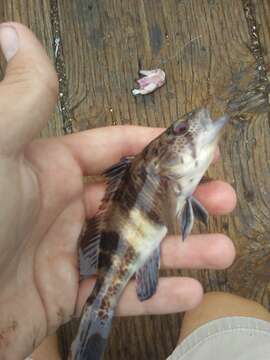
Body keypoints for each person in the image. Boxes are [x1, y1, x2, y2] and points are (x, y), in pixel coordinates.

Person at [0, 22, 268, 360]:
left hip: (115, 250)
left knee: (216, 309)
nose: (192, 125)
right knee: (221, 313)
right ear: (165, 160)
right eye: (183, 129)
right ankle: (89, 317)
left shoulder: (166, 177)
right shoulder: (164, 177)